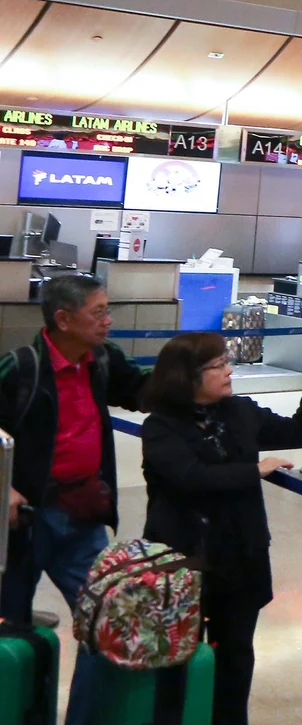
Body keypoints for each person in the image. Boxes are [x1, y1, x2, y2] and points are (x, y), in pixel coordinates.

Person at [139, 330, 302, 725]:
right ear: (188, 377)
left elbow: (294, 432)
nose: (229, 371)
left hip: (241, 555)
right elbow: (190, 477)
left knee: (236, 656)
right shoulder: (161, 428)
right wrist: (252, 470)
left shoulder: (240, 411)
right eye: (219, 365)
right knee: (179, 656)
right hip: (184, 560)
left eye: (228, 362)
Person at [0, 274, 151, 722]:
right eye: (99, 312)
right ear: (63, 319)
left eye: (108, 310)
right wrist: (2, 486)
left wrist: (193, 376)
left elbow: (142, 390)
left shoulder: (102, 360)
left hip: (81, 519)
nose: (108, 320)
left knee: (108, 622)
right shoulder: (20, 367)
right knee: (11, 631)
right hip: (24, 522)